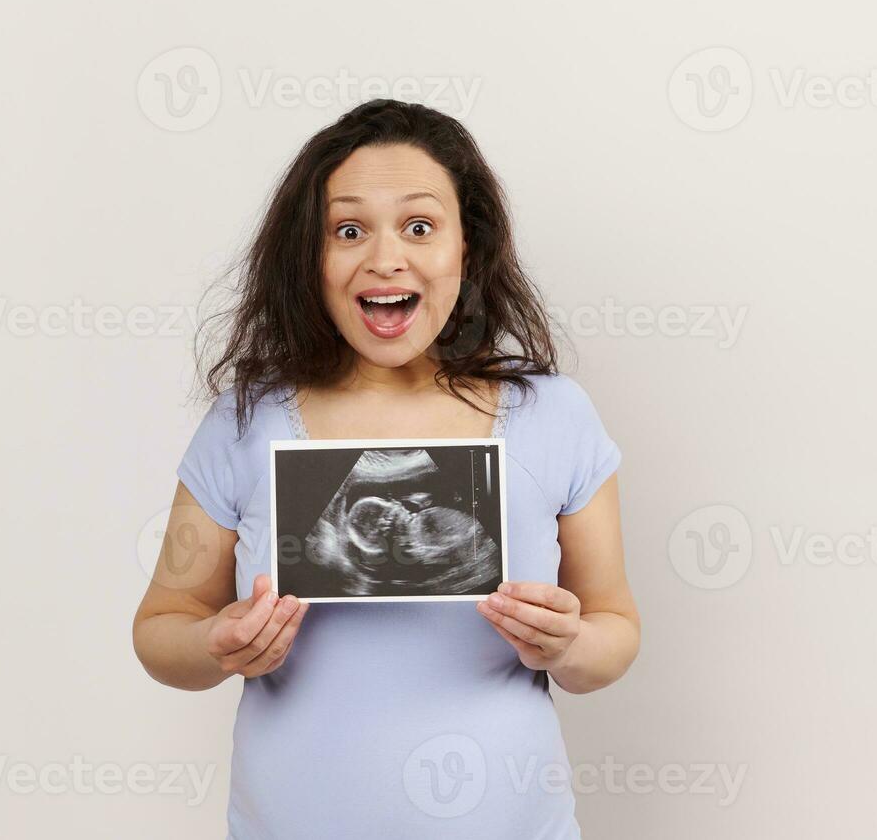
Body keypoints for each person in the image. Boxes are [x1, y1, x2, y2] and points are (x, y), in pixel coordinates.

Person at [131, 99, 640, 839]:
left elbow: (614, 631)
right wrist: (216, 645)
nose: (384, 257)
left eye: (419, 226)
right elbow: (160, 630)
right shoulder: (245, 424)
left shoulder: (555, 417)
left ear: (467, 247)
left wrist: (570, 645)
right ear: (311, 257)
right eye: (347, 230)